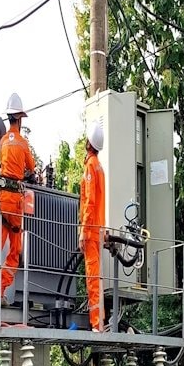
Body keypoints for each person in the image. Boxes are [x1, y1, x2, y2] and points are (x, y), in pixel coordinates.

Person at [0, 93, 36, 303]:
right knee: (14, 249)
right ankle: (1, 292)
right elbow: (31, 167)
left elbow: (3, 164)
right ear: (19, 118)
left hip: (1, 199)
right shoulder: (22, 143)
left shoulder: (2, 142)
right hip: (15, 203)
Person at [79, 121, 106, 331]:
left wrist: (83, 231)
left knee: (92, 278)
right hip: (99, 231)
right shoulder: (99, 167)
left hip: (91, 232)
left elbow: (89, 202)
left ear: (88, 142)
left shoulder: (90, 167)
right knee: (97, 277)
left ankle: (96, 324)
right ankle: (100, 321)